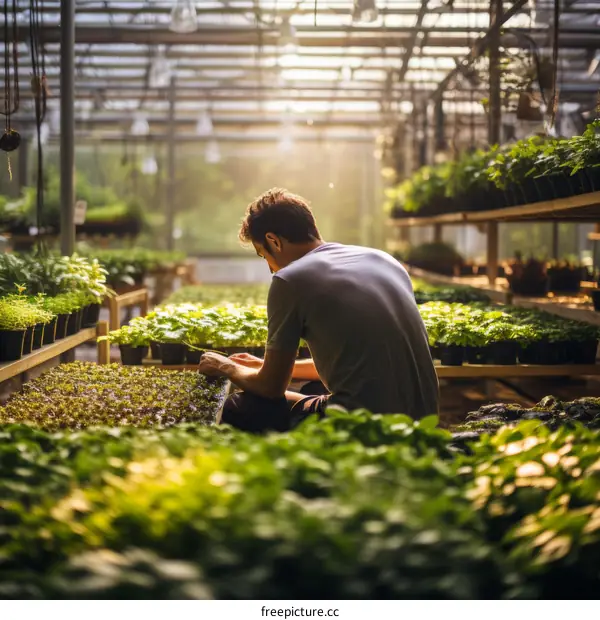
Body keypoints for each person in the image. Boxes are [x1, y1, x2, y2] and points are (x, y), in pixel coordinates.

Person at [198, 188, 439, 433]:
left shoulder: (290, 280)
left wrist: (224, 367)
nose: (271, 269)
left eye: (263, 256)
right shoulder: (383, 259)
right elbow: (356, 361)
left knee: (243, 407)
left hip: (368, 425)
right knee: (312, 389)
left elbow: (270, 387)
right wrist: (262, 364)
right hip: (423, 418)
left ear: (273, 241)